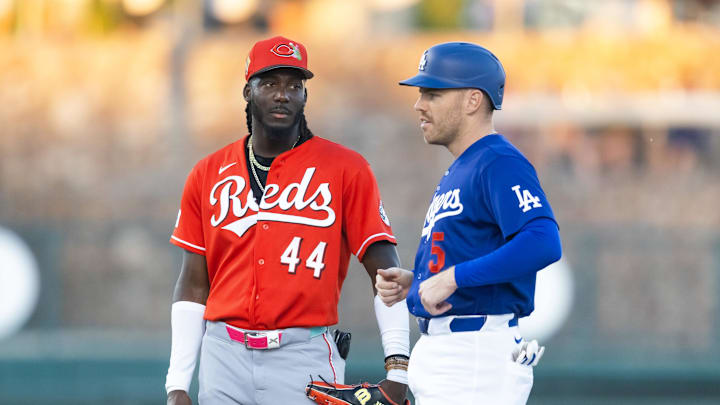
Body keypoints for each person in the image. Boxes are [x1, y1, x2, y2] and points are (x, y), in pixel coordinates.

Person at [165, 35, 410, 405]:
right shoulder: (208, 172)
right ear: (248, 91)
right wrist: (177, 384)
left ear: (305, 97)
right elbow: (194, 285)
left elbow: (386, 274)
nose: (283, 94)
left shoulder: (346, 168)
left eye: (294, 85)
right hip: (223, 354)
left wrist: (398, 368)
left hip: (303, 355)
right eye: (270, 83)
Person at [376, 42, 562, 404]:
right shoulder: (463, 167)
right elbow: (477, 255)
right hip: (453, 353)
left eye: (433, 93)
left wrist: (451, 278)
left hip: (476, 355)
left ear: (473, 100)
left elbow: (543, 240)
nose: (419, 104)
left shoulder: (498, 160)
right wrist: (420, 282)